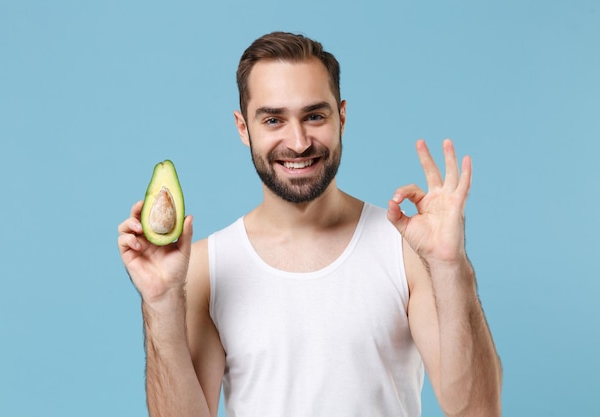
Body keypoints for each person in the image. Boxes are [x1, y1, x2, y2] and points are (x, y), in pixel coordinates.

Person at [118, 31, 502, 417]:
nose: (299, 142)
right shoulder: (206, 268)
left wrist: (451, 266)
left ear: (343, 118)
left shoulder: (404, 250)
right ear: (242, 127)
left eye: (314, 116)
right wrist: (162, 304)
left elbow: (478, 411)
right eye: (273, 119)